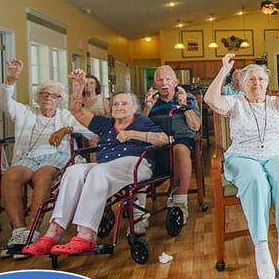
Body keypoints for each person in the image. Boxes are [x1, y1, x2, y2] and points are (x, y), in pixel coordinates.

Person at [22, 70, 169, 257]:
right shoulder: (105, 124)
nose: (119, 107)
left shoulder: (142, 122)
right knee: (74, 171)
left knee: (97, 173)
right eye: (116, 103)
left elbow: (165, 139)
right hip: (106, 166)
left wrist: (133, 134)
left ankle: (86, 235)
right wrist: (77, 85)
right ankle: (54, 232)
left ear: (135, 108)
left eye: (125, 103)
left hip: (136, 164)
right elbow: (76, 111)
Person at [204, 54, 279, 279]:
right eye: (251, 80)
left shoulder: (275, 102)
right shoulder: (235, 102)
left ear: (267, 83)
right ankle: (262, 249)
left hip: (277, 153)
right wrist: (223, 71)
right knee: (256, 181)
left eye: (260, 79)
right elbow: (210, 99)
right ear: (242, 84)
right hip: (243, 156)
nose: (257, 83)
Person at [0, 59, 90, 258]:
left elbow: (88, 131)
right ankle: (19, 232)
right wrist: (10, 80)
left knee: (43, 175)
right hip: (28, 156)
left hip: (56, 157)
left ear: (60, 99)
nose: (48, 98)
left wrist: (67, 129)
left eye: (54, 95)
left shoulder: (65, 115)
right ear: (37, 97)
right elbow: (5, 103)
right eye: (44, 94)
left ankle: (33, 232)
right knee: (11, 174)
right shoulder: (26, 112)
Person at [141, 65, 201, 224]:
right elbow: (139, 127)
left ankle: (180, 202)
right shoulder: (151, 101)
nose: (164, 83)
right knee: (137, 158)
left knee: (180, 150)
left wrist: (185, 106)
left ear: (176, 82)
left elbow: (196, 126)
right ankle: (137, 209)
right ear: (155, 84)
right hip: (157, 143)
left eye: (168, 79)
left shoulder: (188, 98)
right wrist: (147, 108)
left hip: (182, 140)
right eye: (160, 80)